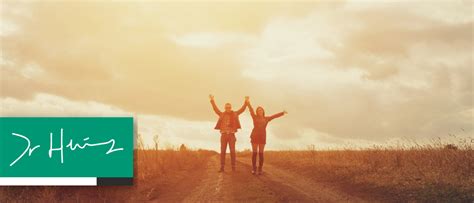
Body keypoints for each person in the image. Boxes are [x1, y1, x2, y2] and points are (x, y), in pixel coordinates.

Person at [209, 94, 249, 172]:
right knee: (223, 151)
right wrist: (212, 100)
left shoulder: (235, 114)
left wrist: (246, 102)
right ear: (225, 108)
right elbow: (215, 109)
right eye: (227, 107)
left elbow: (242, 109)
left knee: (232, 151)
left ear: (231, 108)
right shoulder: (222, 114)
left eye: (229, 107)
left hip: (231, 135)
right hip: (223, 135)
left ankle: (233, 167)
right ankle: (222, 167)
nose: (228, 108)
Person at [247, 101, 287, 175]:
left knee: (261, 153)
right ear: (257, 112)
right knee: (254, 153)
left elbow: (274, 116)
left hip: (262, 136)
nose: (260, 111)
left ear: (263, 111)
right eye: (258, 110)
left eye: (261, 110)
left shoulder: (267, 118)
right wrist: (248, 102)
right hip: (255, 136)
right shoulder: (254, 117)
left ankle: (260, 169)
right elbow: (251, 110)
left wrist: (282, 113)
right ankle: (254, 168)